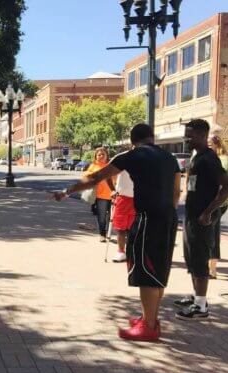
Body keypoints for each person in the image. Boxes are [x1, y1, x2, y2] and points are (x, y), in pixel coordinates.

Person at [53, 124, 181, 341]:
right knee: (159, 268)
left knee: (146, 270)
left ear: (133, 141)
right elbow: (177, 190)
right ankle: (150, 319)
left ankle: (148, 327)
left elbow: (95, 178)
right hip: (168, 217)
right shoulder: (169, 157)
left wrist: (66, 191)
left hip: (148, 217)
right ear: (152, 137)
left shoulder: (131, 155)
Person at [175, 120, 228, 320]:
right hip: (191, 215)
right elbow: (191, 185)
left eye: (189, 135)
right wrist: (183, 200)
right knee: (192, 258)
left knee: (199, 260)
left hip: (201, 218)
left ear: (201, 135)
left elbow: (227, 187)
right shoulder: (197, 157)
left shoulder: (209, 159)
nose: (186, 138)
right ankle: (197, 297)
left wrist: (208, 212)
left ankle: (201, 306)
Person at [208, 135, 228, 279]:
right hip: (218, 203)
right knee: (212, 234)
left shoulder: (221, 161)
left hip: (215, 204)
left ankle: (211, 269)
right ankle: (211, 268)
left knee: (210, 235)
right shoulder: (222, 159)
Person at [86, 147, 116, 242]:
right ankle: (102, 234)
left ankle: (109, 233)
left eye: (103, 154)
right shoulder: (93, 166)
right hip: (100, 196)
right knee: (102, 217)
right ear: (96, 156)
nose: (101, 156)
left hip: (113, 195)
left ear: (107, 155)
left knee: (112, 217)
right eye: (99, 154)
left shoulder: (111, 165)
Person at [111, 170, 136, 262]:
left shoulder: (146, 161)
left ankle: (132, 252)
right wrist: (112, 190)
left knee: (134, 228)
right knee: (121, 228)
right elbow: (108, 176)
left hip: (139, 199)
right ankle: (121, 252)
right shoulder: (123, 159)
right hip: (122, 198)